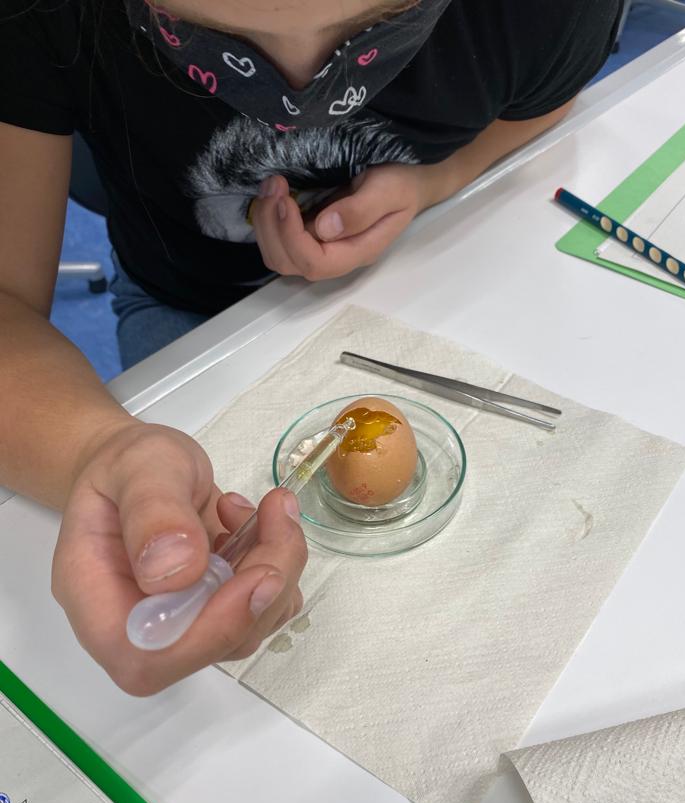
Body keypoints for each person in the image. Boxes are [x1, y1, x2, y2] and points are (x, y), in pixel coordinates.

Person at [0, 0, 621, 694]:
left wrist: (436, 180)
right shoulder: (37, 18)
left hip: (421, 261)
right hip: (187, 305)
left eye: (376, 28)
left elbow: (544, 102)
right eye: (225, 38)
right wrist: (96, 449)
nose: (299, 90)